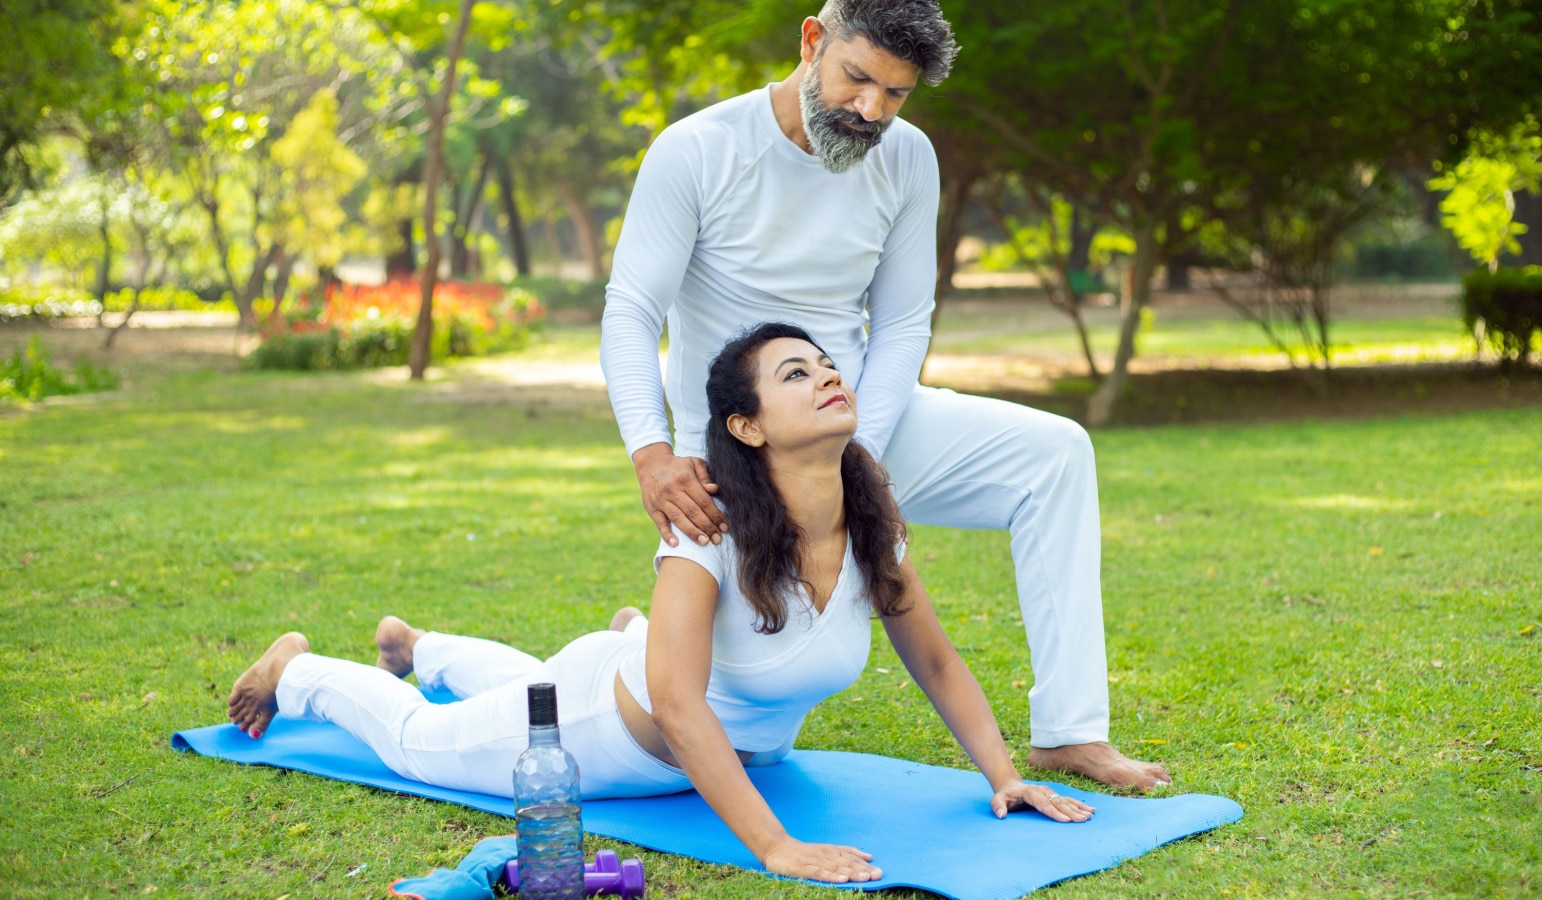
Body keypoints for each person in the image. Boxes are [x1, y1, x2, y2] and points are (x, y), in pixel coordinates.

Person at [226, 324, 1094, 884]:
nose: (829, 377)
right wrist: (775, 847)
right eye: (798, 373)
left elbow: (935, 660)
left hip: (702, 722)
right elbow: (678, 703)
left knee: (535, 677)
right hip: (606, 733)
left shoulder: (869, 518)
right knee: (419, 742)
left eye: (829, 366)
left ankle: (424, 646)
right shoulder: (708, 526)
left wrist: (1005, 775)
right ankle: (299, 670)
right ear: (747, 426)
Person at [599, 0, 1170, 788]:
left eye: (894, 94)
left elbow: (903, 322)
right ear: (811, 42)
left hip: (856, 419)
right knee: (740, 689)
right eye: (856, 78)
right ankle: (623, 645)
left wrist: (858, 453)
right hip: (739, 444)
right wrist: (652, 451)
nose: (870, 110)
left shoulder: (908, 157)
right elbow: (632, 309)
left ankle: (1070, 731)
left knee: (1055, 454)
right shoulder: (696, 149)